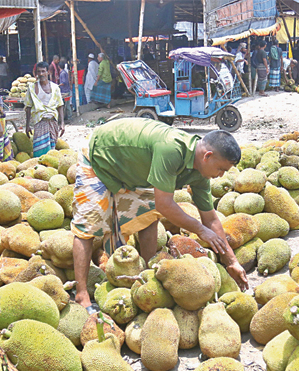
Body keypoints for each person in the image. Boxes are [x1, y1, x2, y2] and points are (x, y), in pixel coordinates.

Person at [71, 118, 249, 308]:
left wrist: (231, 261)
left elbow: (210, 218)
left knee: (148, 213)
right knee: (87, 225)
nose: (221, 175)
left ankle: (147, 274)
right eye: (221, 169)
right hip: (101, 156)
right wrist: (199, 229)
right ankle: (81, 294)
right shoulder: (171, 149)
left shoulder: (201, 174)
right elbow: (165, 205)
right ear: (207, 156)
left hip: (131, 171)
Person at [24, 61, 64, 158]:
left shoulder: (55, 88)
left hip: (52, 122)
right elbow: (28, 107)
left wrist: (62, 123)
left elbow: (60, 105)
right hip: (39, 122)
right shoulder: (32, 88)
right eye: (39, 72)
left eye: (43, 71)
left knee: (52, 153)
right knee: (39, 152)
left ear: (48, 72)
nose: (41, 74)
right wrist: (27, 125)